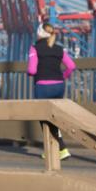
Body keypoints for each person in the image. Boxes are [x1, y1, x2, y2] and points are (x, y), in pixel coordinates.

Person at [28, 22, 76, 160]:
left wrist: (29, 73)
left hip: (43, 86)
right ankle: (57, 149)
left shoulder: (34, 48)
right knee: (54, 117)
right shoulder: (59, 49)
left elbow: (32, 70)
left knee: (44, 119)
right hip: (59, 85)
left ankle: (60, 149)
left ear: (40, 33)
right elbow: (71, 66)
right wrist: (63, 76)